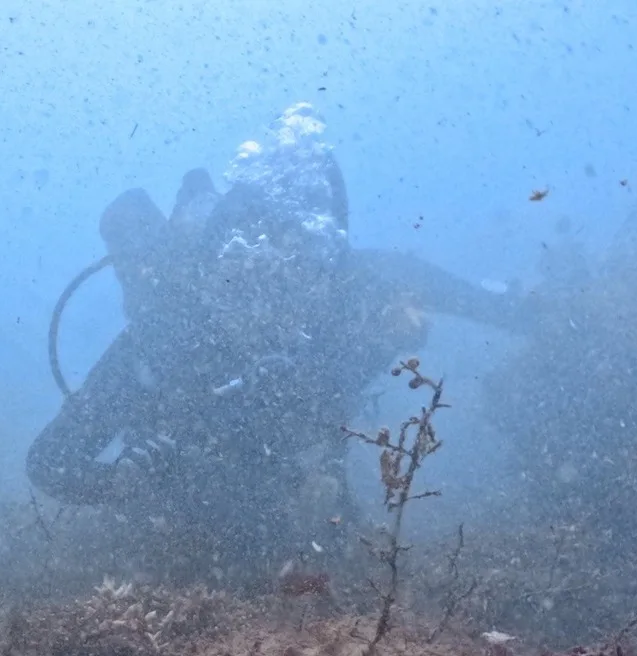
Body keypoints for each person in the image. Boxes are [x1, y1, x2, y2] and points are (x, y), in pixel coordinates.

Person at [27, 104, 522, 581]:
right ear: (209, 275)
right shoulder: (163, 338)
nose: (265, 303)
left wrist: (402, 334)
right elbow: (49, 461)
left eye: (291, 280)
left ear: (319, 267)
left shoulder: (352, 291)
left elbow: (472, 301)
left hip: (310, 523)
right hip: (186, 540)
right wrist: (121, 484)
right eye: (239, 284)